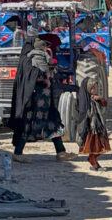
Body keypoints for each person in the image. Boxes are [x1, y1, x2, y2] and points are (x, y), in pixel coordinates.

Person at [8, 35, 76, 163]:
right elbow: (34, 78)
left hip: (45, 101)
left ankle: (61, 152)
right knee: (28, 125)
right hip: (34, 102)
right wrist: (45, 76)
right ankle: (18, 153)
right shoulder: (29, 60)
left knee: (53, 122)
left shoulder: (34, 59)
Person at [75, 78, 111, 171]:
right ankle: (94, 163)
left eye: (95, 88)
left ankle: (93, 161)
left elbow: (104, 104)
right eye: (92, 88)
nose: (94, 90)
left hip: (98, 126)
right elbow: (83, 114)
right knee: (94, 147)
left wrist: (100, 98)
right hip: (90, 128)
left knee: (101, 146)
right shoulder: (84, 100)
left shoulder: (95, 98)